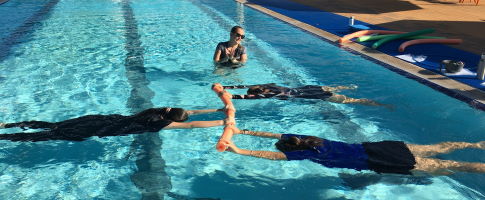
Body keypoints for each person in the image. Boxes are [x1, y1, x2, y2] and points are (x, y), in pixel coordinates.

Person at [225, 127, 485, 175]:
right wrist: (244, 132)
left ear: (290, 150)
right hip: (382, 146)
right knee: (435, 149)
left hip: (376, 158)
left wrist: (238, 151)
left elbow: (270, 154)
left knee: (454, 167)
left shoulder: (305, 154)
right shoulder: (309, 140)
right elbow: (274, 135)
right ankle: (476, 145)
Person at [0, 107, 228, 142]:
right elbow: (190, 124)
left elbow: (189, 112)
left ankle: (8, 125)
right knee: (51, 135)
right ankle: (4, 137)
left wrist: (216, 108)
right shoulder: (160, 124)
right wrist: (222, 121)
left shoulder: (160, 110)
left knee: (53, 125)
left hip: (100, 119)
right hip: (101, 129)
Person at [222, 83, 386, 106]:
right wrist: (228, 86)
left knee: (352, 102)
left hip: (313, 96)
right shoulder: (269, 85)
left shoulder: (270, 95)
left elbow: (247, 96)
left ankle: (376, 103)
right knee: (335, 88)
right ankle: (350, 86)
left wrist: (231, 96)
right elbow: (247, 86)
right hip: (309, 88)